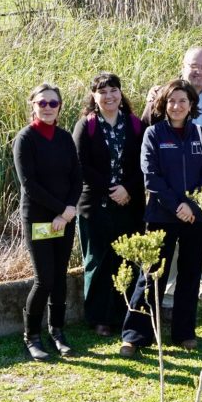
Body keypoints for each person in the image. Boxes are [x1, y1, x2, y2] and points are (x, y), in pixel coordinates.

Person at [120, 80, 202, 355]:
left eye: (183, 101)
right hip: (162, 216)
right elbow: (152, 177)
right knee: (150, 275)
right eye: (172, 101)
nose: (177, 106)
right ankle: (135, 335)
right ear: (164, 104)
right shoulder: (153, 134)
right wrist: (178, 206)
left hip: (195, 218)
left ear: (191, 105)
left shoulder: (201, 134)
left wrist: (193, 207)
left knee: (190, 274)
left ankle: (184, 333)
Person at [144, 47, 202, 320]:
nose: (199, 71)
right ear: (183, 65)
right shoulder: (165, 94)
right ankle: (166, 298)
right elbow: (147, 131)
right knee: (169, 249)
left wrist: (194, 201)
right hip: (167, 189)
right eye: (194, 65)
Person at [73, 73, 146, 337]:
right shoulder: (86, 125)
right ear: (94, 96)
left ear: (121, 93)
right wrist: (110, 189)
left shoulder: (135, 125)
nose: (109, 96)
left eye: (113, 90)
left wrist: (127, 188)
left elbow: (144, 164)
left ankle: (124, 313)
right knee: (99, 260)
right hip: (95, 204)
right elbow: (80, 165)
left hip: (129, 202)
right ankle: (99, 318)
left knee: (126, 258)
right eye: (102, 92)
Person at [13, 83, 82, 361]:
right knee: (44, 279)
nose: (48, 108)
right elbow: (29, 184)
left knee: (61, 278)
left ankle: (58, 332)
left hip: (64, 218)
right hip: (40, 219)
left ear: (60, 107)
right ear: (33, 105)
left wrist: (67, 211)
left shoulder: (65, 138)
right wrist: (60, 211)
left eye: (53, 103)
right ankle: (32, 335)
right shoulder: (25, 138)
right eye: (42, 103)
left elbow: (76, 178)